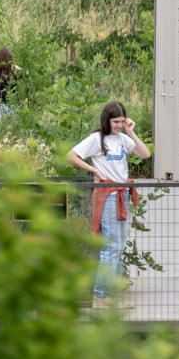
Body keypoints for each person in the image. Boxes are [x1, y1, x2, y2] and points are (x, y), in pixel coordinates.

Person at [68, 102, 151, 298]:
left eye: (123, 121)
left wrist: (131, 132)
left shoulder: (122, 138)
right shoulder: (97, 139)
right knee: (111, 245)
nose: (120, 125)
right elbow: (71, 155)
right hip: (108, 195)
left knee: (119, 244)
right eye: (116, 121)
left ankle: (111, 288)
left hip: (122, 194)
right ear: (107, 120)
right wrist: (94, 170)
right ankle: (102, 292)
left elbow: (145, 154)